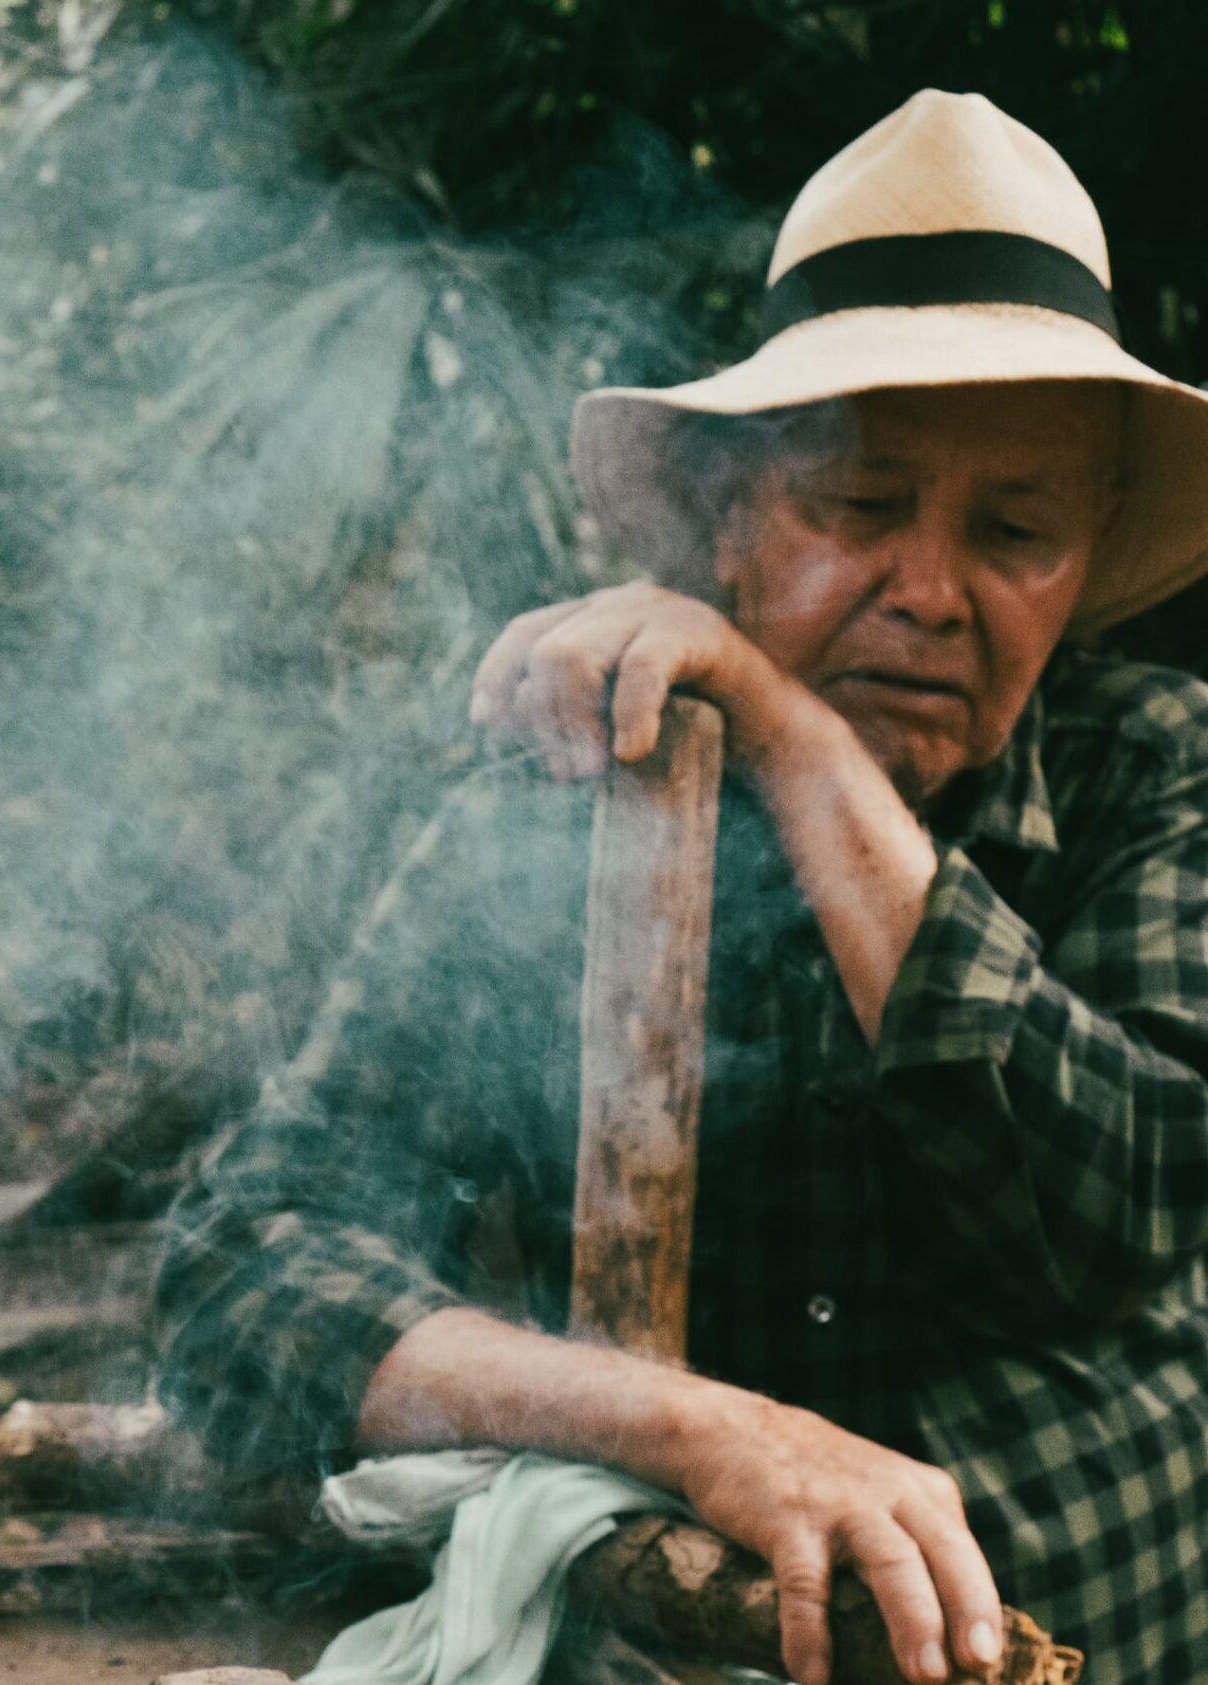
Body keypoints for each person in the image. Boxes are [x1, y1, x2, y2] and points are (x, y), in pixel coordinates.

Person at [155, 91, 1208, 1685]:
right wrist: (702, 1428)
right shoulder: (568, 804)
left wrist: (788, 733)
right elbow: (241, 1275)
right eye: (858, 507)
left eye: (1015, 529)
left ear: (1085, 557)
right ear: (727, 513)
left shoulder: (1157, 766)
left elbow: (1114, 1207)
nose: (928, 591)